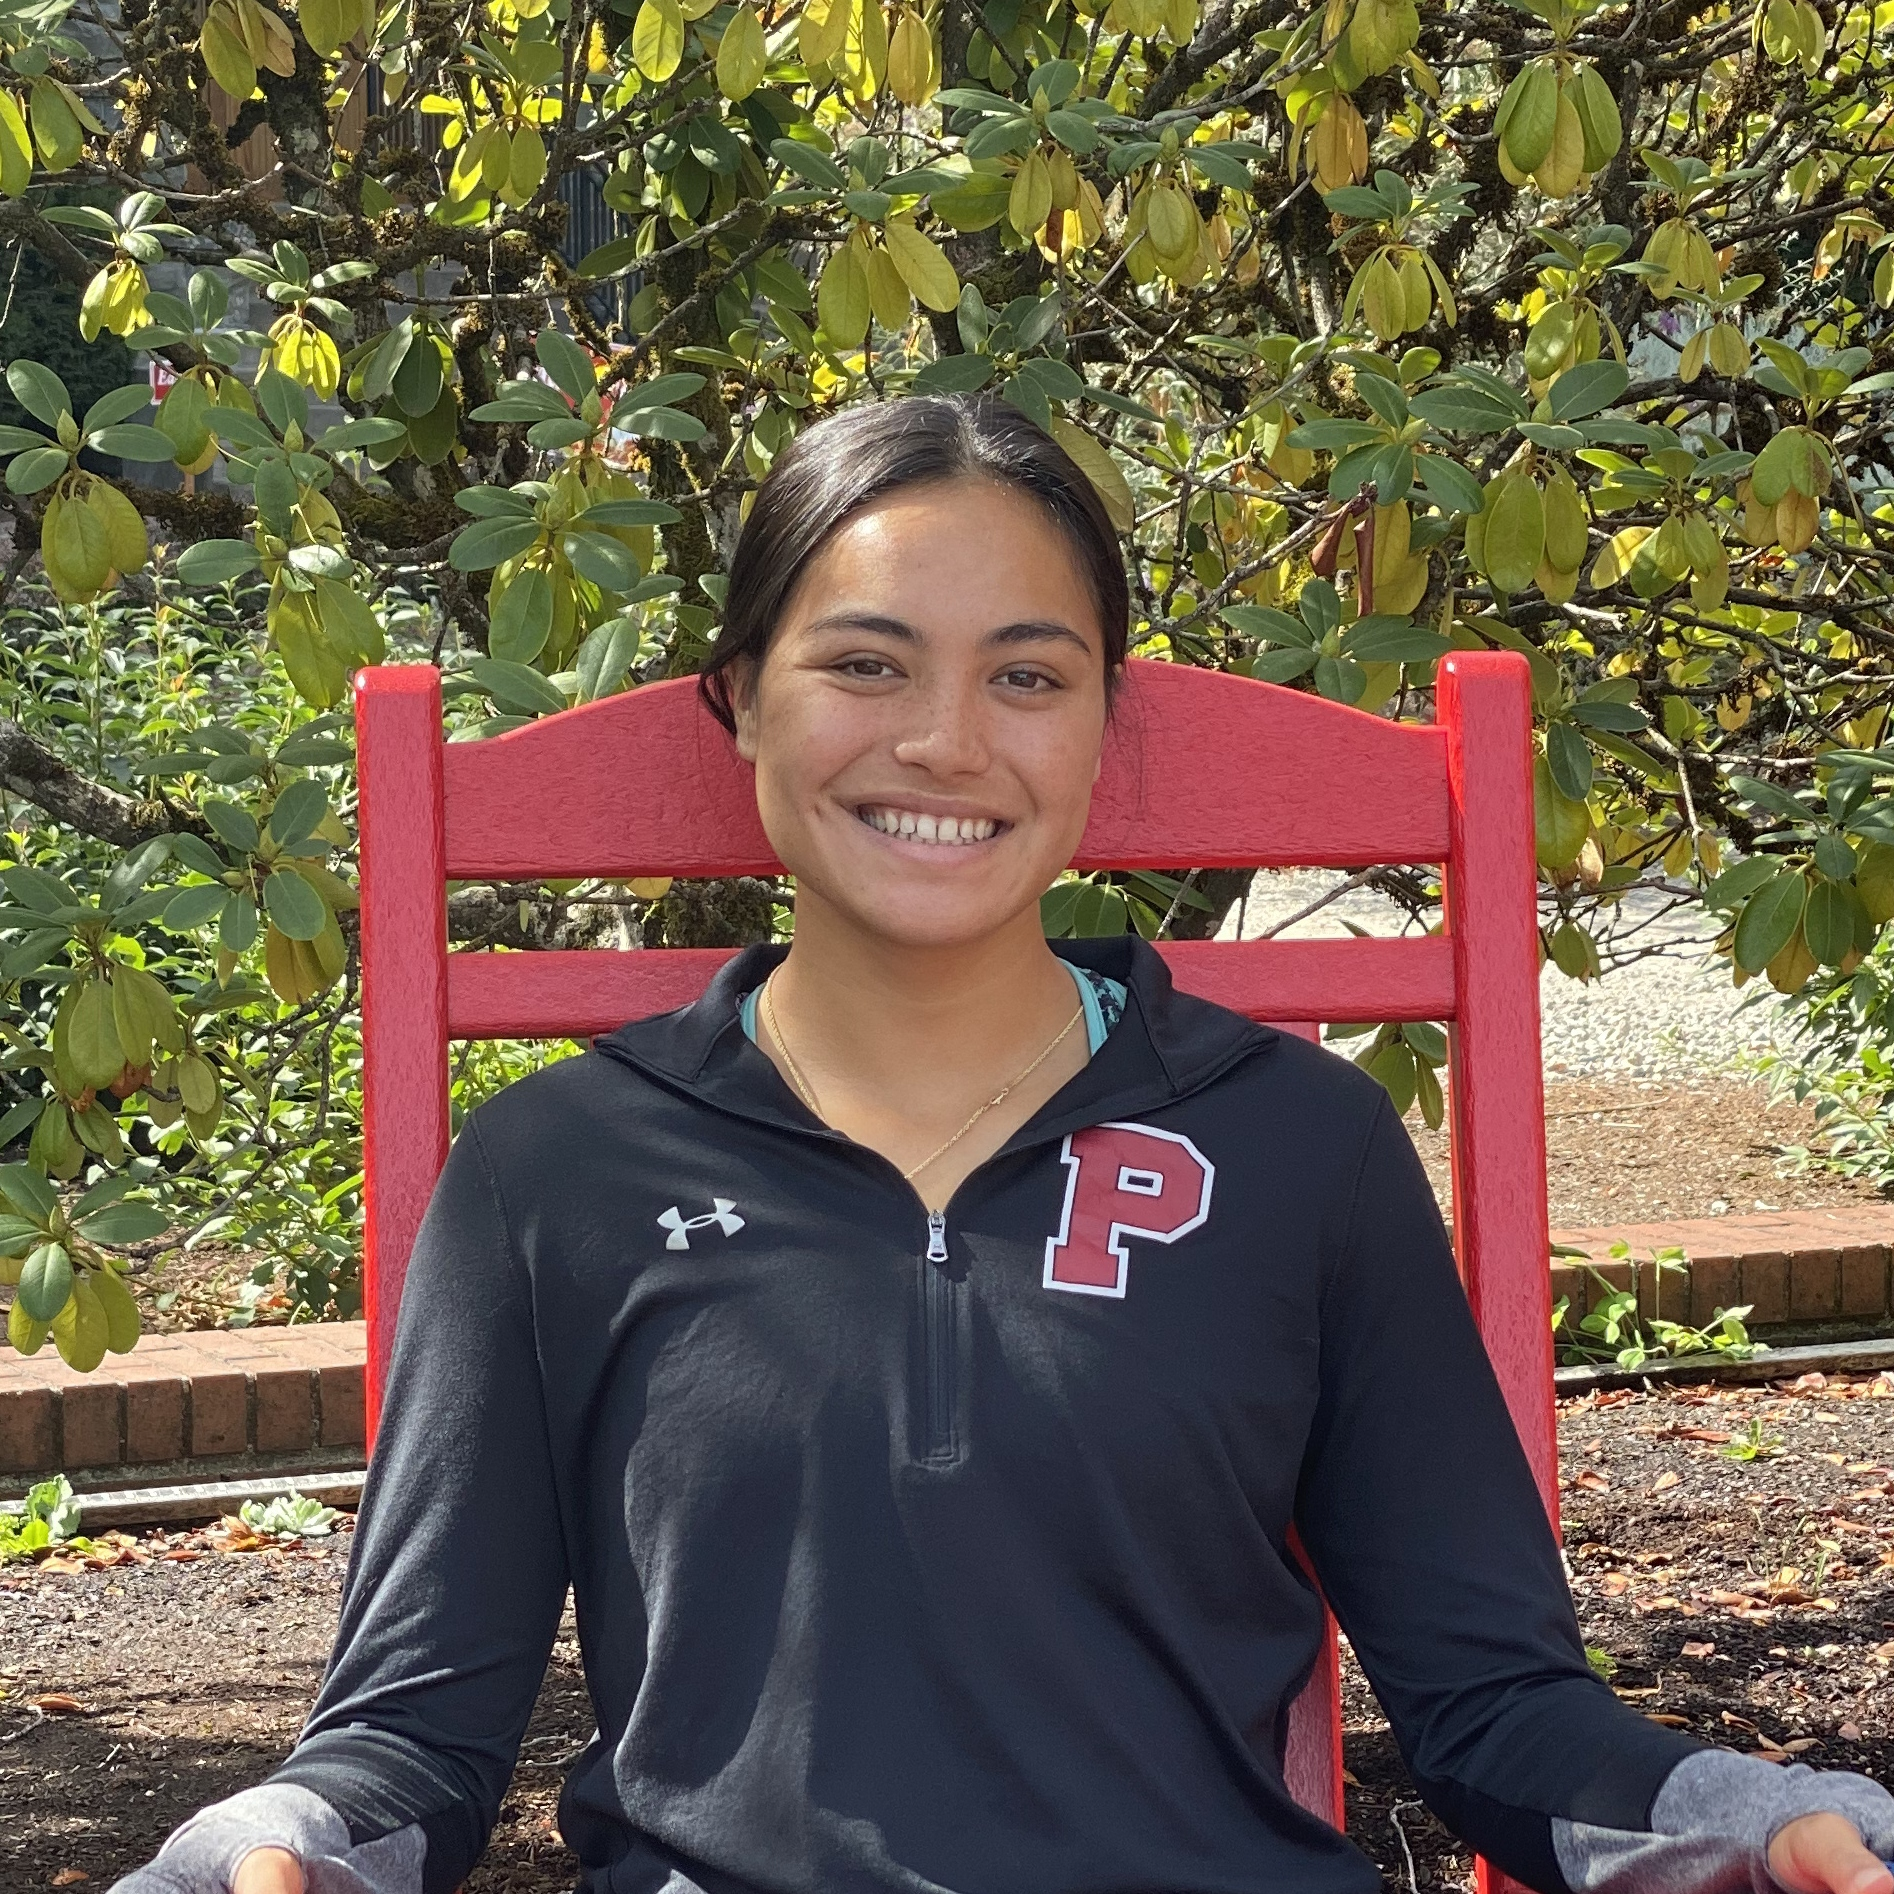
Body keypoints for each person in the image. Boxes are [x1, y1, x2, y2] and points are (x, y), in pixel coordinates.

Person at [114, 394, 1894, 1894]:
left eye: (1027, 675)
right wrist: (275, 1843)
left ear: (1106, 719)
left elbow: (1499, 1709)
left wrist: (1752, 1818)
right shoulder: (555, 1174)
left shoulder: (1303, 1148)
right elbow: (410, 1744)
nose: (944, 741)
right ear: (739, 696)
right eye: (862, 663)